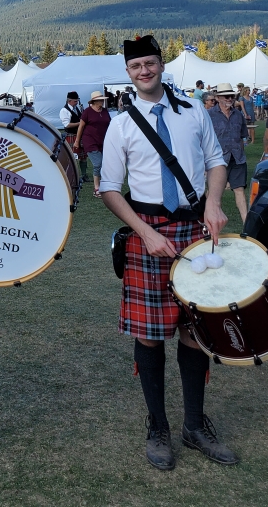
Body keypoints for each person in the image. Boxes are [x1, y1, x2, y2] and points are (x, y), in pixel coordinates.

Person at [100, 36, 235, 471]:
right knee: (150, 333)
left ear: (162, 65)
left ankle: (194, 426)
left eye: (150, 63)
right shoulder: (121, 124)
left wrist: (214, 203)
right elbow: (109, 189)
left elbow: (216, 162)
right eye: (136, 65)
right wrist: (143, 232)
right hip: (149, 233)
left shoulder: (194, 111)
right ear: (128, 72)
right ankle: (158, 426)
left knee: (196, 328)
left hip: (194, 228)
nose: (144, 71)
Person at [207, 83, 251, 222]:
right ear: (218, 98)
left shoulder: (238, 114)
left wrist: (241, 153)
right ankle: (210, 222)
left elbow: (242, 136)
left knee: (239, 190)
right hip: (217, 160)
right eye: (226, 96)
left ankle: (246, 224)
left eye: (231, 96)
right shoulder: (209, 115)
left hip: (237, 158)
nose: (230, 99)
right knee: (214, 194)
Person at [73, 90, 111, 197]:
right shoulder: (87, 112)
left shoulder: (105, 111)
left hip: (103, 141)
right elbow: (81, 126)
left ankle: (104, 185)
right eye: (100, 100)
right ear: (94, 101)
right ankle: (97, 188)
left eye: (102, 100)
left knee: (104, 164)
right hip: (90, 141)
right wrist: (77, 141)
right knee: (98, 163)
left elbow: (109, 124)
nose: (102, 102)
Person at [59, 91, 89, 184]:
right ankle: (74, 176)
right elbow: (67, 125)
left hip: (80, 135)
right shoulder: (64, 111)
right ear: (69, 101)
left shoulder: (77, 108)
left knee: (83, 156)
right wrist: (80, 123)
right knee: (73, 158)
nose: (76, 103)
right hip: (71, 135)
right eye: (75, 101)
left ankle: (84, 175)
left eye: (77, 101)